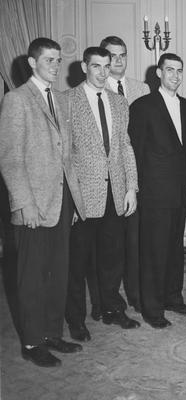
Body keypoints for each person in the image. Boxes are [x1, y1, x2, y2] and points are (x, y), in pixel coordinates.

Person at [0, 37, 86, 367]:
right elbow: (9, 159)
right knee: (32, 275)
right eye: (49, 60)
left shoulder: (59, 100)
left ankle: (52, 333)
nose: (55, 66)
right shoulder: (17, 100)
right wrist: (24, 204)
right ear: (32, 63)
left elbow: (67, 155)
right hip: (33, 205)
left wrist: (74, 202)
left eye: (58, 60)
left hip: (61, 202)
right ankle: (33, 342)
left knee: (58, 272)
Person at [65, 46, 140, 342]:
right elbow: (66, 154)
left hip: (115, 190)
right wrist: (70, 198)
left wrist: (132, 186)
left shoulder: (120, 102)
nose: (102, 72)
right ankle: (76, 319)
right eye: (96, 66)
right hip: (83, 194)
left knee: (112, 256)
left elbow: (125, 146)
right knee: (78, 260)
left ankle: (110, 308)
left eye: (106, 66)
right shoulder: (68, 100)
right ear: (85, 67)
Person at [129, 53, 186, 329]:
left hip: (180, 192)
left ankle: (172, 297)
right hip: (154, 192)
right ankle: (152, 308)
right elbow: (135, 151)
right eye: (170, 70)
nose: (176, 76)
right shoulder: (143, 106)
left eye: (179, 71)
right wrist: (137, 189)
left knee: (173, 248)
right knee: (153, 251)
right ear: (158, 73)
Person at [100, 35, 150, 314]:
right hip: (107, 177)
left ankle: (135, 294)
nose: (118, 61)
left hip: (136, 174)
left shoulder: (140, 88)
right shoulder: (94, 87)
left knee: (135, 241)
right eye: (112, 56)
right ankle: (106, 300)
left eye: (122, 55)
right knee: (108, 243)